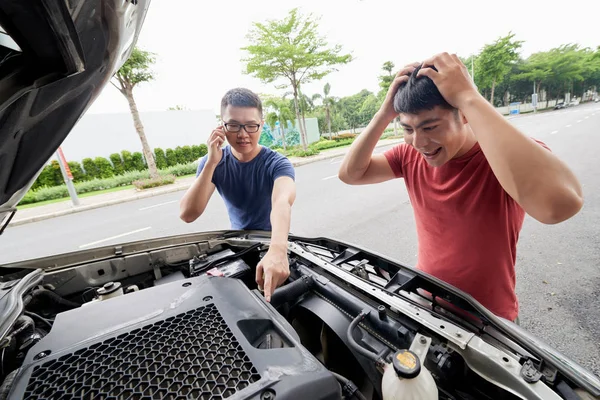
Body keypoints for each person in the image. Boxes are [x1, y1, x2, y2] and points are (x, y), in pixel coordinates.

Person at [338, 53, 583, 322]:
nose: (418, 142)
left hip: (488, 317)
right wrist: (384, 113)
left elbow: (560, 206)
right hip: (426, 298)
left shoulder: (500, 155)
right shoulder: (410, 156)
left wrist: (469, 96)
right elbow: (351, 174)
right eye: (408, 129)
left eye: (430, 126)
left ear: (464, 115)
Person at [180, 88, 296, 302]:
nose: (243, 134)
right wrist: (211, 162)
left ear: (261, 124)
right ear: (221, 126)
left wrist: (278, 250)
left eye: (251, 125)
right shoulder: (212, 162)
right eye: (233, 125)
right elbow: (188, 214)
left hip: (272, 242)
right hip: (238, 244)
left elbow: (282, 202)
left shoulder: (277, 163)